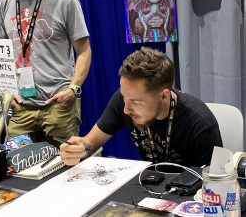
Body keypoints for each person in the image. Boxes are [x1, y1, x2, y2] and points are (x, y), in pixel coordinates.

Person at [0, 0, 91, 141]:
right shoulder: (4, 2)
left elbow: (84, 51)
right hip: (21, 108)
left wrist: (73, 90)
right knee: (16, 170)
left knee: (63, 170)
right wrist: (6, 93)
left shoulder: (66, 1)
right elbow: (0, 54)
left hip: (58, 106)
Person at [60, 47, 222, 167]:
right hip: (149, 188)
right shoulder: (124, 100)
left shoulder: (201, 125)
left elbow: (213, 186)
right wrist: (79, 149)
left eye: (136, 102)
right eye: (124, 97)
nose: (126, 109)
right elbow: (89, 143)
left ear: (164, 96)